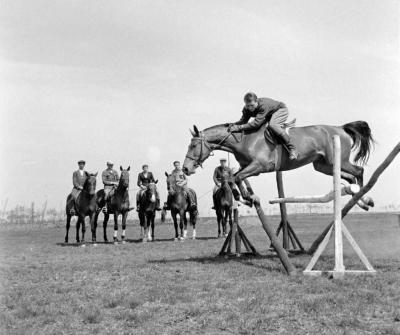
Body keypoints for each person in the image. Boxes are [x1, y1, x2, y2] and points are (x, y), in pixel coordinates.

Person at [229, 92, 298, 160]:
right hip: (269, 114)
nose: (250, 108)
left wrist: (239, 127)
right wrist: (234, 124)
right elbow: (243, 121)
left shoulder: (263, 106)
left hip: (281, 110)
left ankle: (292, 149)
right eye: (247, 105)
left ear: (256, 101)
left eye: (252, 105)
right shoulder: (246, 109)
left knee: (272, 125)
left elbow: (256, 123)